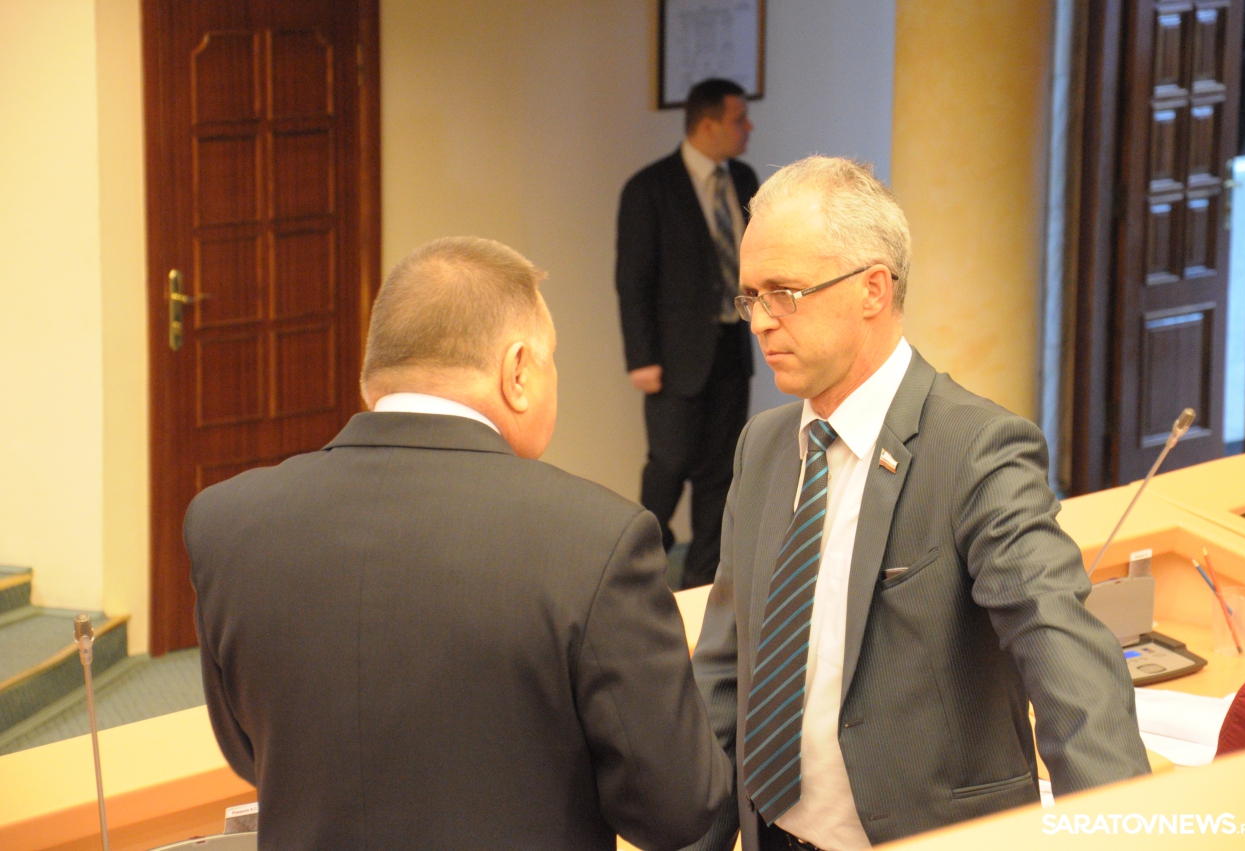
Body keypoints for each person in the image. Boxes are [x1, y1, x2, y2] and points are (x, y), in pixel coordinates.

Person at [186, 237, 733, 851]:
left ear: (372, 376)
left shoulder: (226, 523)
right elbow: (677, 808)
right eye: (552, 360)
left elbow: (250, 750)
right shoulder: (598, 540)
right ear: (518, 371)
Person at [685, 157, 1150, 850]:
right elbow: (727, 668)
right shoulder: (764, 446)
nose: (760, 321)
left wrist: (1122, 832)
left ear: (873, 289)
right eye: (752, 296)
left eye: (785, 292)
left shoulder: (978, 448)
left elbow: (1066, 662)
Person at [615, 78, 759, 589]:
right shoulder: (650, 188)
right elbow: (632, 280)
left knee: (720, 472)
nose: (748, 128)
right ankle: (638, 573)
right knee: (669, 465)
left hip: (731, 348)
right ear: (708, 124)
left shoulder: (744, 179)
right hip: (674, 357)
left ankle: (701, 582)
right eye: (739, 119)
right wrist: (641, 357)